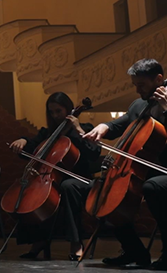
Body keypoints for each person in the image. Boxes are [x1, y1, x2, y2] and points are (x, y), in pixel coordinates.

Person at [83, 58, 167, 271]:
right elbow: (120, 124)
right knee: (102, 189)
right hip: (146, 175)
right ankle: (134, 250)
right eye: (135, 85)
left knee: (153, 187)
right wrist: (104, 126)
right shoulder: (139, 106)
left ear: (159, 79)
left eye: (141, 85)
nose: (137, 90)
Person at [7, 92, 100, 260]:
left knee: (68, 186)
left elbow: (94, 153)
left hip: (79, 179)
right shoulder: (48, 133)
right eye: (52, 112)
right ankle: (39, 240)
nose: (55, 116)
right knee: (32, 196)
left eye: (59, 111)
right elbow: (32, 147)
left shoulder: (85, 128)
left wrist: (78, 129)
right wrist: (23, 141)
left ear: (68, 109)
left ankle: (76, 242)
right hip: (52, 180)